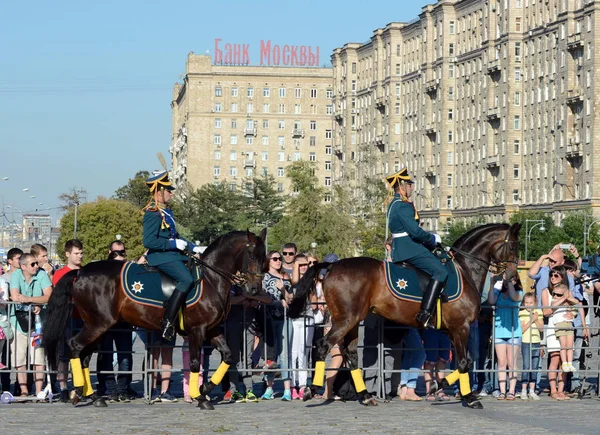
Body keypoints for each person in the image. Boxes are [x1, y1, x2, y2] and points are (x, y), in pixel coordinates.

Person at [142, 170, 202, 340]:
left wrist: (192, 247)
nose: (171, 194)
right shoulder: (152, 213)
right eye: (168, 191)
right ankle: (167, 322)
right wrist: (172, 244)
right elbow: (149, 241)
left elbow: (175, 235)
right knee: (186, 279)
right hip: (160, 257)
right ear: (159, 192)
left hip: (172, 255)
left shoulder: (167, 212)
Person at [385, 167, 446, 328]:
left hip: (400, 247)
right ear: (403, 186)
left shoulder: (394, 204)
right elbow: (415, 231)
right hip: (409, 248)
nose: (412, 187)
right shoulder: (403, 205)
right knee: (441, 271)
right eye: (410, 184)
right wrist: (432, 238)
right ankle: (425, 312)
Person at [9, 253, 53, 396]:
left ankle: (39, 391)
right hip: (18, 322)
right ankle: (24, 391)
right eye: (33, 264)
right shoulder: (16, 275)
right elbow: (15, 297)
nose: (37, 266)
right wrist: (36, 301)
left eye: (36, 263)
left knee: (38, 358)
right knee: (19, 358)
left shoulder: (41, 274)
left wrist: (30, 300)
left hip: (38, 323)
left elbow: (49, 296)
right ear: (23, 266)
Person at [97, 240, 135, 402]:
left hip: (124, 320)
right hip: (105, 320)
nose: (119, 255)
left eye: (122, 252)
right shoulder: (103, 271)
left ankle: (123, 388)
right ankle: (110, 388)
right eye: (116, 253)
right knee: (105, 354)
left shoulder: (128, 270)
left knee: (125, 355)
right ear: (109, 253)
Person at [52, 238, 84, 401]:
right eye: (76, 253)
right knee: (63, 354)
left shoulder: (85, 272)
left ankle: (81, 386)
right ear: (67, 254)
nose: (80, 256)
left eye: (81, 253)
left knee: (81, 354)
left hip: (83, 319)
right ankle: (63, 386)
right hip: (65, 319)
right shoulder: (59, 274)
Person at [261, 250, 293, 401]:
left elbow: (291, 298)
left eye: (279, 259)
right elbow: (261, 295)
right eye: (275, 259)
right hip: (268, 318)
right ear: (268, 261)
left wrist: (282, 289)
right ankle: (269, 387)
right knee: (271, 356)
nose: (279, 261)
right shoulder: (264, 276)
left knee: (285, 353)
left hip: (285, 319)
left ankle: (287, 389)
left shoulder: (286, 277)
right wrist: (275, 302)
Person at [487, 271, 523, 401]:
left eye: (513, 278)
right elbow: (491, 300)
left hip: (514, 331)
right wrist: (492, 283)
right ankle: (502, 391)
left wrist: (508, 282)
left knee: (512, 363)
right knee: (501, 363)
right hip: (499, 331)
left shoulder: (519, 293)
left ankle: (512, 390)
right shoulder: (499, 292)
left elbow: (514, 297)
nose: (509, 280)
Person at [289, 254, 318, 399]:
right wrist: (296, 265)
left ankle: (302, 384)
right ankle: (293, 384)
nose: (304, 267)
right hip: (295, 319)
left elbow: (314, 301)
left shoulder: (311, 280)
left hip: (308, 318)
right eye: (300, 265)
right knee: (293, 353)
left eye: (306, 264)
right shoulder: (291, 278)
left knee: (303, 353)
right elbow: (295, 282)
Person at [0, 248, 22, 391]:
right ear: (10, 261)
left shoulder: (21, 276)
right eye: (18, 258)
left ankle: (16, 387)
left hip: (12, 320)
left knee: (12, 356)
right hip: (6, 320)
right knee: (5, 357)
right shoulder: (5, 278)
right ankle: (6, 386)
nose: (20, 261)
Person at [519, 292, 543, 400]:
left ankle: (532, 390)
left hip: (536, 341)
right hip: (526, 341)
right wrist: (531, 320)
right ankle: (523, 389)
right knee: (526, 366)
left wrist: (536, 319)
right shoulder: (522, 313)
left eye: (531, 303)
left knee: (534, 366)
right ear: (523, 303)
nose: (529, 305)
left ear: (535, 303)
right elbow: (522, 329)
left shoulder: (538, 312)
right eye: (526, 303)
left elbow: (541, 328)